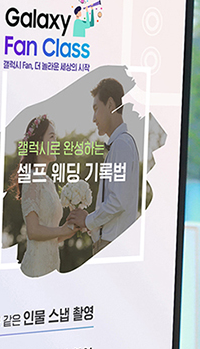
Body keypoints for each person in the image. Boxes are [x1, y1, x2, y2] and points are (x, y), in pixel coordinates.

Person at [67, 76, 161, 252]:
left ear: (110, 105)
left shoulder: (121, 145)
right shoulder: (119, 144)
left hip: (112, 245)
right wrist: (90, 223)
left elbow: (117, 202)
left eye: (96, 109)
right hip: (109, 243)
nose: (93, 118)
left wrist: (87, 220)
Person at [12, 114, 76, 277]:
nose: (56, 142)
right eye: (52, 137)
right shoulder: (32, 178)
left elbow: (51, 237)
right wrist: (61, 230)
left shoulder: (48, 182)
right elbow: (33, 231)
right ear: (38, 143)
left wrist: (70, 229)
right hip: (36, 267)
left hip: (52, 265)